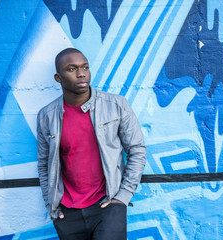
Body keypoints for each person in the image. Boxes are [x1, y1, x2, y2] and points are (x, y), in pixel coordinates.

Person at [37, 48, 146, 239]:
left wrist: (123, 197)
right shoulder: (47, 116)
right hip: (67, 213)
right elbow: (44, 164)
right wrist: (51, 206)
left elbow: (137, 149)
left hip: (108, 205)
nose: (81, 74)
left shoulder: (116, 105)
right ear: (58, 77)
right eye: (72, 69)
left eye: (85, 67)